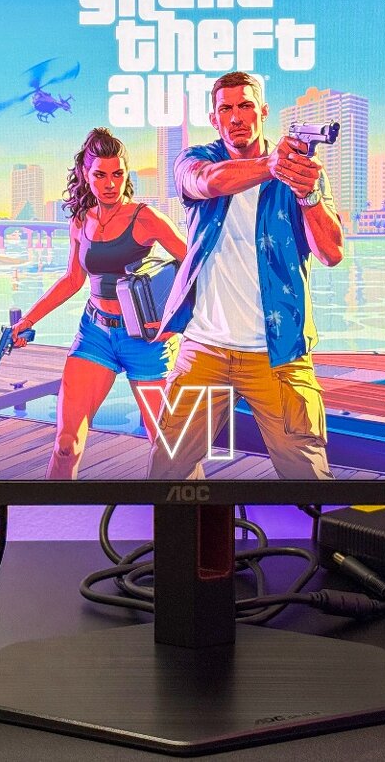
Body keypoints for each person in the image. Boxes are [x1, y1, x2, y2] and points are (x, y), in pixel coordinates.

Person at [147, 72, 344, 480]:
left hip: (280, 353)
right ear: (214, 118)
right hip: (204, 349)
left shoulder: (302, 171)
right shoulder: (195, 159)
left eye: (245, 105)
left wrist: (307, 193)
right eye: (226, 108)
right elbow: (206, 181)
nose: (236, 116)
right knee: (166, 475)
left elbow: (331, 253)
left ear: (263, 112)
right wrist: (272, 166)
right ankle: (195, 525)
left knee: (310, 480)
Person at [11, 127, 187, 479]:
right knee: (65, 445)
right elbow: (72, 280)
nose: (110, 184)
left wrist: (175, 323)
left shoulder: (146, 218)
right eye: (100, 175)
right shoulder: (81, 220)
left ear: (126, 174)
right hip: (95, 335)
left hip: (146, 343)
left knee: (168, 449)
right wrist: (27, 321)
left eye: (117, 174)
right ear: (85, 174)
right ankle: (55, 512)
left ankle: (195, 513)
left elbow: (195, 267)